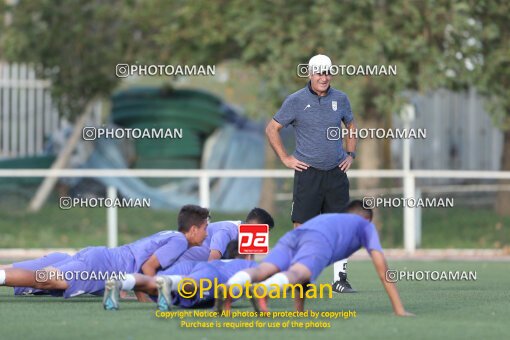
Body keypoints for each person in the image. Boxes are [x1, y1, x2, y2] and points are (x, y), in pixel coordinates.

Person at [218, 200, 413, 317]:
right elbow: (382, 269)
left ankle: (231, 286)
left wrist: (299, 310)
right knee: (298, 272)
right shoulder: (365, 225)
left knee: (265, 269)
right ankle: (264, 290)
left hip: (296, 234)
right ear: (367, 219)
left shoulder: (331, 219)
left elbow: (302, 281)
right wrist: (399, 309)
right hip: (319, 240)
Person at [265, 54, 358, 293]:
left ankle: (340, 279)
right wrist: (286, 158)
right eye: (318, 73)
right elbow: (272, 128)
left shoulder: (341, 98)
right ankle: (300, 278)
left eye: (327, 72)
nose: (323, 77)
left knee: (340, 225)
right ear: (310, 74)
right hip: (308, 174)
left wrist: (350, 154)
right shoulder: (295, 100)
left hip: (336, 172)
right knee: (302, 225)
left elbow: (350, 125)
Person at [0, 204, 209, 298]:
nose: (207, 234)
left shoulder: (170, 234)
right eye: (205, 229)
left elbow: (140, 265)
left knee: (39, 276)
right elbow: (148, 267)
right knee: (46, 279)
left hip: (100, 259)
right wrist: (146, 299)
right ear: (193, 229)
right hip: (102, 266)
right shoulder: (180, 241)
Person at [102, 240, 256, 310]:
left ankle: (121, 282)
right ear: (248, 255)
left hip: (190, 266)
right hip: (213, 276)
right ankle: (168, 282)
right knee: (188, 284)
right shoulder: (249, 264)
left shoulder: (219, 261)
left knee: (152, 282)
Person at [204, 207, 274, 260]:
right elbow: (211, 262)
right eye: (266, 230)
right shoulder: (227, 231)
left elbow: (248, 265)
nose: (267, 235)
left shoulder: (249, 238)